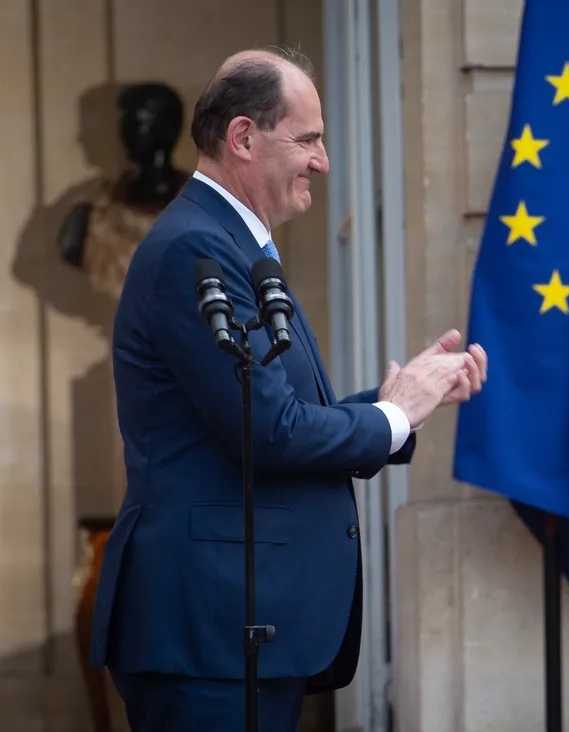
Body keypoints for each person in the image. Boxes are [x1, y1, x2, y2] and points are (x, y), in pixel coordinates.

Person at [87, 46, 488, 731]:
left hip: (240, 630)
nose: (323, 161)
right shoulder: (195, 248)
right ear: (244, 138)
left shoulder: (230, 244)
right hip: (211, 632)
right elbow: (269, 433)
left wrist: (400, 401)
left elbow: (271, 413)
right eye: (308, 139)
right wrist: (393, 415)